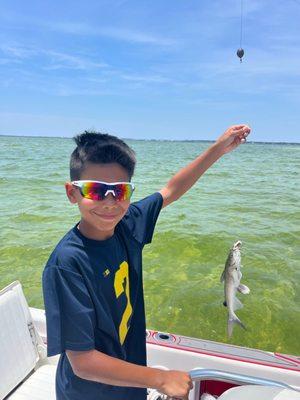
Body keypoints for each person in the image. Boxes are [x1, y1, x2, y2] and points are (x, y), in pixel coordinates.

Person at [42, 124, 251, 400]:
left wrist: (218, 149)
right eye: (94, 190)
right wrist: (160, 377)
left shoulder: (127, 225)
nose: (109, 202)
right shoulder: (67, 264)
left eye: (120, 191)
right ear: (72, 193)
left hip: (129, 379)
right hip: (89, 392)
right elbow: (82, 361)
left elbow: (170, 190)